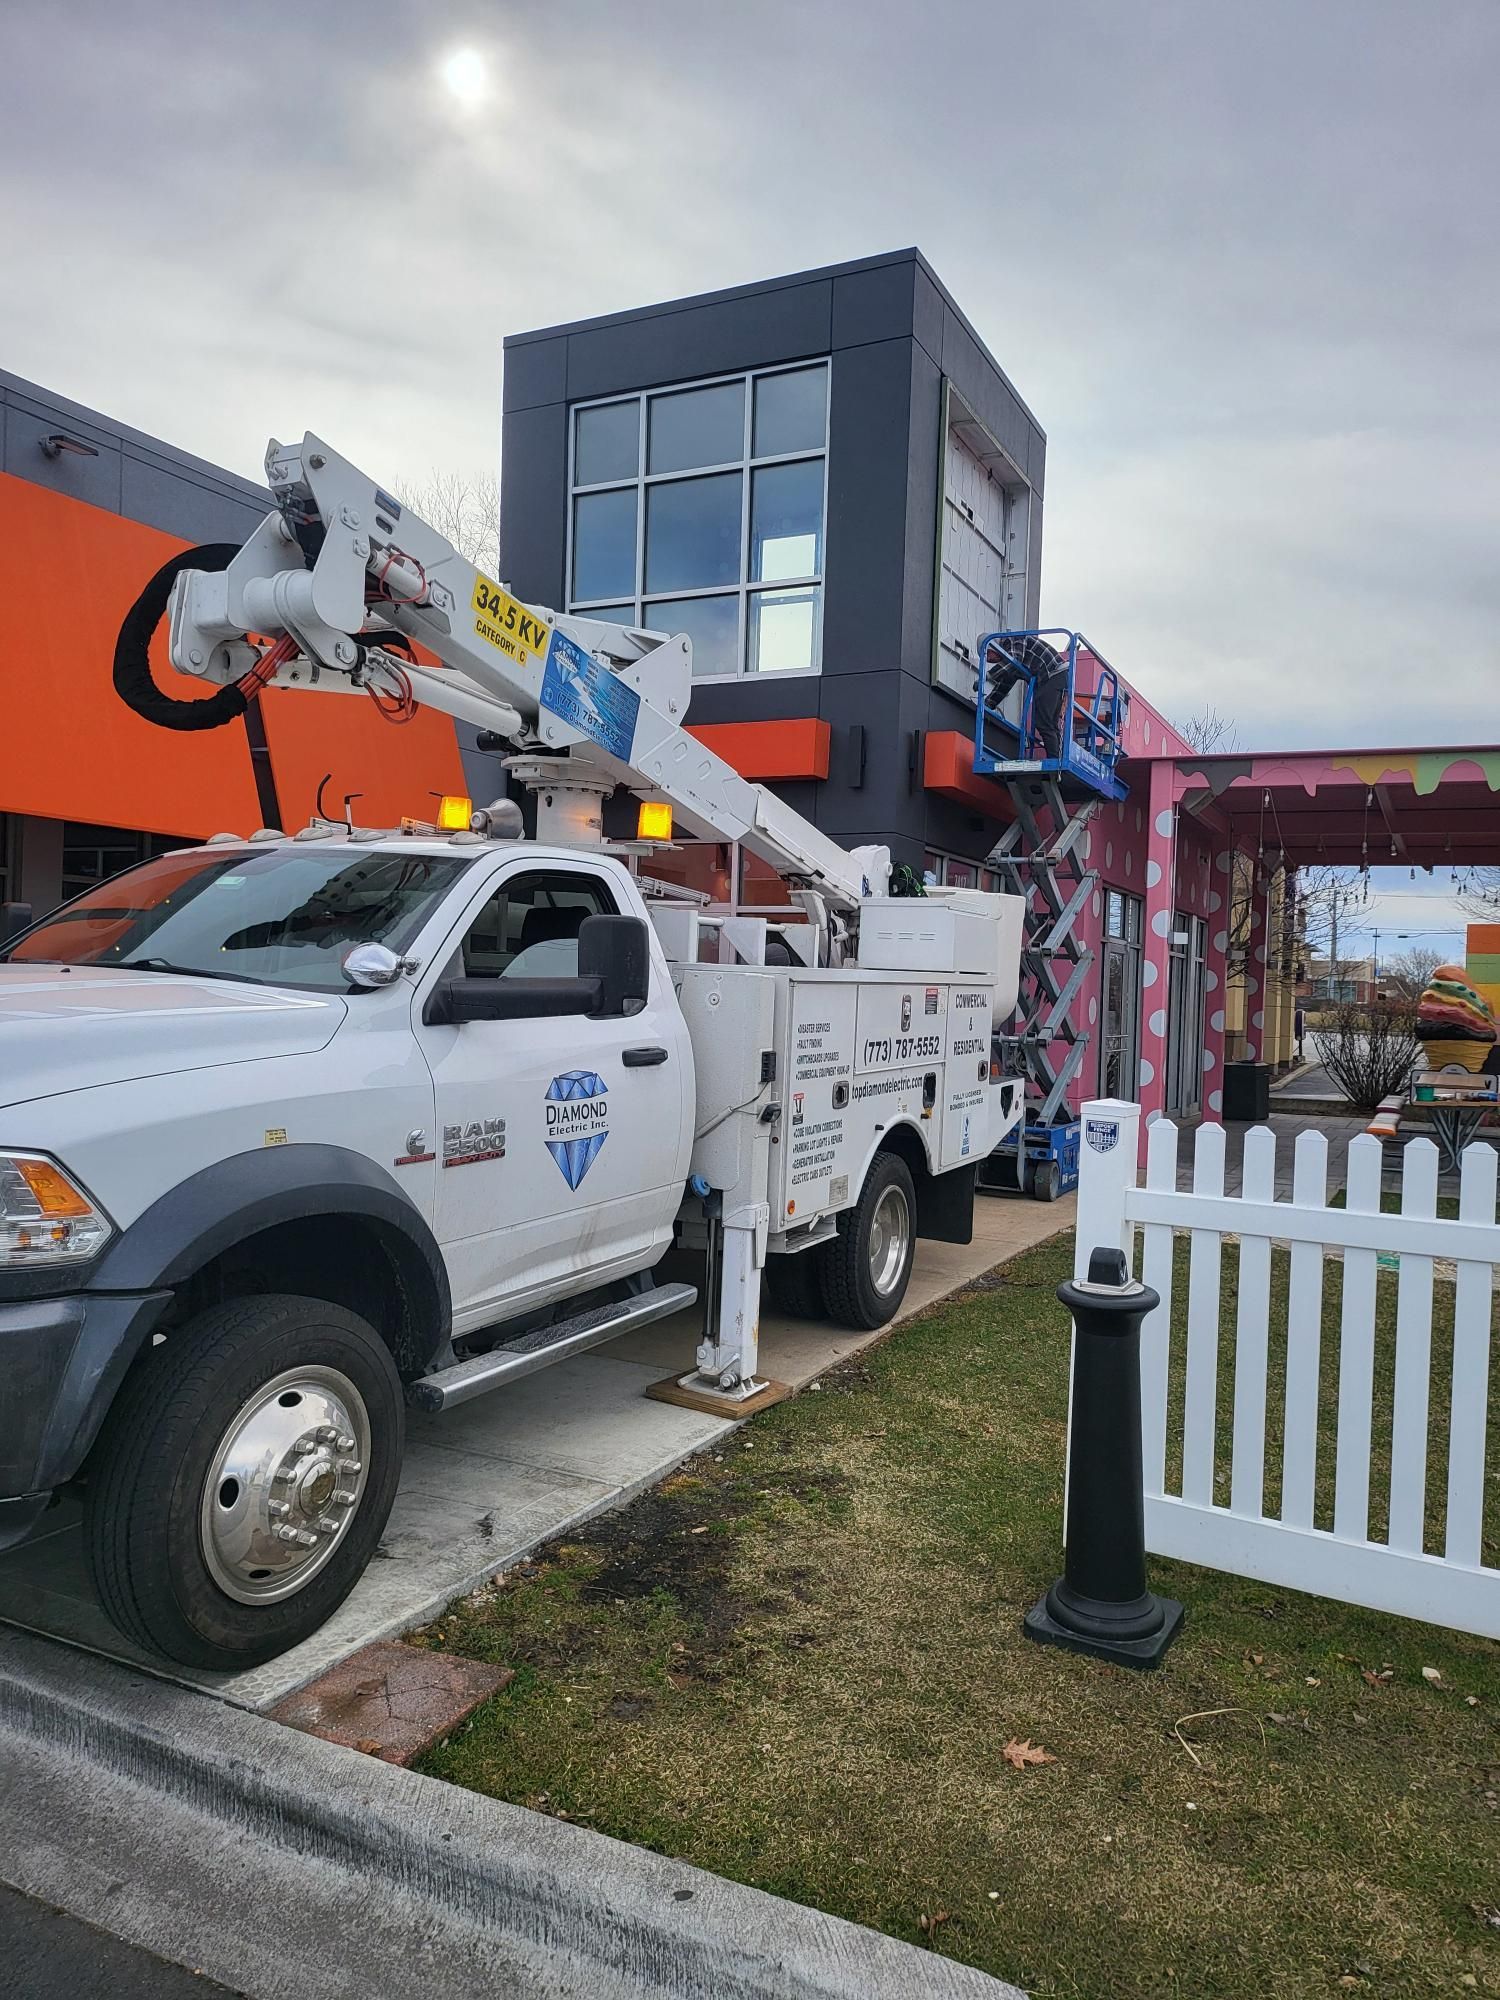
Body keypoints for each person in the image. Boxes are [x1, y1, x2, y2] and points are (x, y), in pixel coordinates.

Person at [980, 633, 1069, 761]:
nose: (989, 660)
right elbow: (1005, 684)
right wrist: (987, 704)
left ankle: (1055, 762)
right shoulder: (1012, 661)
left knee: (1044, 722)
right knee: (1048, 722)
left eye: (988, 655)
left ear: (992, 646)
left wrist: (987, 676)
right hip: (1054, 677)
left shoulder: (1013, 639)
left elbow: (1014, 660)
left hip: (1053, 674)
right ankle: (1057, 760)